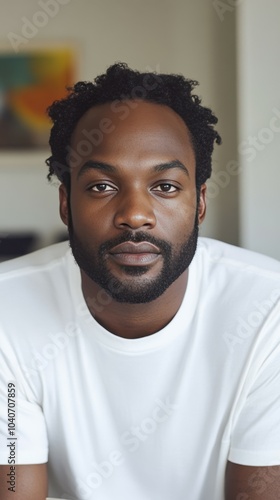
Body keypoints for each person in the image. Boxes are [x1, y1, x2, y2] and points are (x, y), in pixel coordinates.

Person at [0, 63, 280, 500]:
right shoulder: (7, 309)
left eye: (165, 186)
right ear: (65, 203)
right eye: (101, 187)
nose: (135, 214)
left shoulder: (268, 308)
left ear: (200, 202)